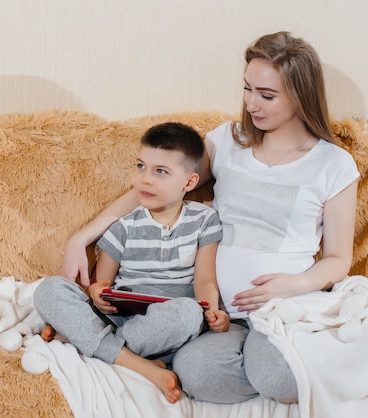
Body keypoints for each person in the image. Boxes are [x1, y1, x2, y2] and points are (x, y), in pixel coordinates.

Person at [60, 31, 360, 404]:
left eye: (266, 95)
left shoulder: (333, 164)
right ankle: (255, 357)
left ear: (301, 95)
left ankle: (275, 358)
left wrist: (291, 285)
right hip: (221, 316)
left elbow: (338, 259)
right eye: (248, 88)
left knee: (279, 379)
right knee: (196, 375)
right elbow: (156, 187)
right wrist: (82, 238)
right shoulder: (228, 142)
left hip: (283, 307)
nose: (252, 103)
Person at [33, 122, 229, 404]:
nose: (145, 179)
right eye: (140, 166)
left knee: (188, 314)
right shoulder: (123, 225)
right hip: (119, 314)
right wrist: (97, 295)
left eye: (160, 171)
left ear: (188, 182)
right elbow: (102, 284)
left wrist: (211, 311)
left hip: (164, 324)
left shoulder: (204, 220)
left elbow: (205, 280)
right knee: (49, 289)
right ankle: (140, 365)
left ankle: (87, 340)